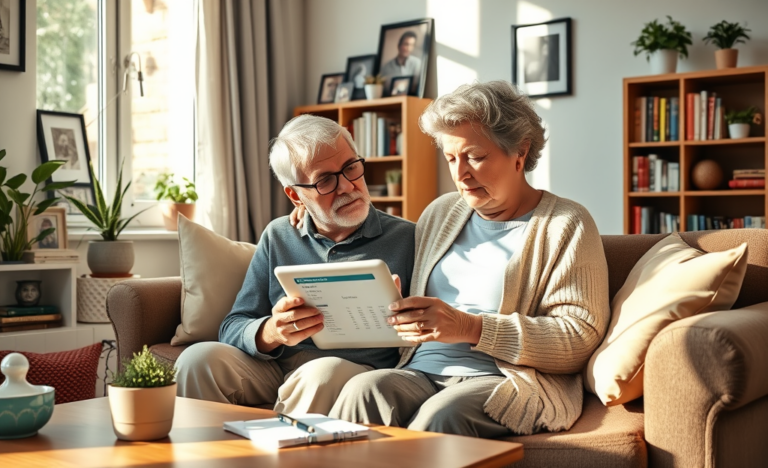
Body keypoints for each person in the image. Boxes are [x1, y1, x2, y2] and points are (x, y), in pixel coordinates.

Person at [328, 81, 610, 438]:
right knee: (363, 390)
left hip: (502, 379)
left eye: (474, 157)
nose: (460, 174)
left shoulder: (565, 224)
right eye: (451, 158)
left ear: (520, 153)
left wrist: (470, 328)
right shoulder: (440, 213)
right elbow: (380, 232)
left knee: (442, 415)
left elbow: (578, 337)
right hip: (419, 370)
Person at [175, 115, 415, 415]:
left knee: (321, 373)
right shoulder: (279, 235)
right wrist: (273, 332)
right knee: (197, 359)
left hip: (353, 371)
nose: (346, 186)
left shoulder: (409, 238)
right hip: (276, 366)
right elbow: (233, 325)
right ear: (295, 195)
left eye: (351, 167)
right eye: (325, 180)